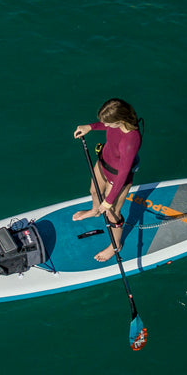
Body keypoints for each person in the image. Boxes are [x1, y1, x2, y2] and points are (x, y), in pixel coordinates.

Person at [72, 98, 143, 262]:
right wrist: (90, 127)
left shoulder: (130, 140)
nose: (106, 125)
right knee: (94, 191)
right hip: (103, 162)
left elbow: (124, 173)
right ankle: (95, 210)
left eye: (109, 123)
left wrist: (109, 200)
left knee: (112, 214)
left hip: (117, 177)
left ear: (120, 120)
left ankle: (115, 246)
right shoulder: (117, 124)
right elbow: (106, 125)